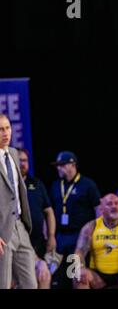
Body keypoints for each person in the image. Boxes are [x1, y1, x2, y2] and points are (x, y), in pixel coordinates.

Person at [49, 150, 101, 288]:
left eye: (61, 165)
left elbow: (98, 209)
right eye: (57, 165)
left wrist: (97, 234)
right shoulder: (55, 185)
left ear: (73, 165)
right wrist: (50, 235)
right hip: (60, 236)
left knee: (76, 273)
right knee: (58, 273)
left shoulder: (87, 184)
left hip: (80, 236)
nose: (58, 168)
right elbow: (49, 211)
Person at [0, 114, 37, 289]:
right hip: (2, 231)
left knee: (31, 283)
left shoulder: (14, 153)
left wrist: (23, 224)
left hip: (20, 226)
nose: (5, 133)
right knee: (3, 284)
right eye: (0, 129)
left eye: (7, 128)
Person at [18, 148, 55, 289]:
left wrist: (51, 236)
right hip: (16, 242)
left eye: (25, 160)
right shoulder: (7, 184)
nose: (23, 164)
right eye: (19, 160)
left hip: (37, 243)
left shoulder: (37, 184)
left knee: (44, 275)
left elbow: (49, 211)